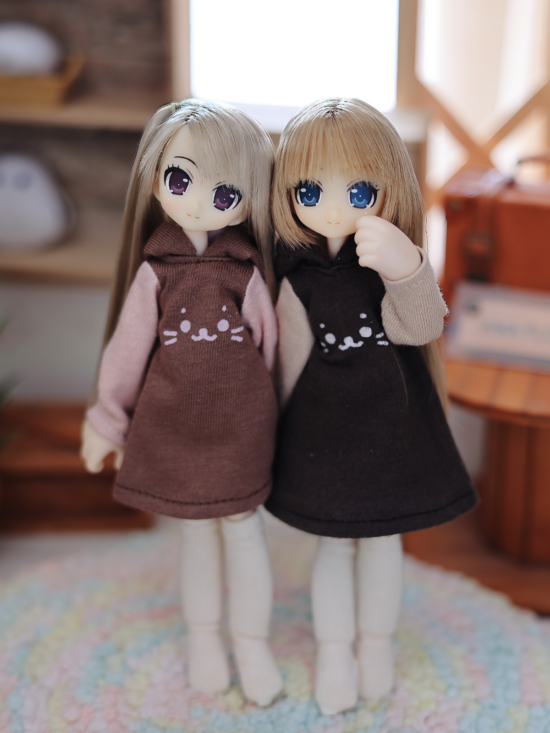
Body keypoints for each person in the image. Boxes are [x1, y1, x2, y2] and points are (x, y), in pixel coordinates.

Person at [266, 98, 477, 714]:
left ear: (389, 190)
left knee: (384, 542)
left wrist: (407, 268)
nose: (333, 209)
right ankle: (335, 651)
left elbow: (422, 327)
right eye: (309, 191)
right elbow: (285, 356)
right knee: (334, 544)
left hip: (392, 424)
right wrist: (265, 428)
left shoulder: (386, 260)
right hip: (323, 430)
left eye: (358, 192)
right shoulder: (298, 274)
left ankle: (375, 645)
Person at [81, 99, 282, 706]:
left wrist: (283, 418)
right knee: (195, 534)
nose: (197, 202)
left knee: (242, 531)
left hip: (242, 426)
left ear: (248, 200)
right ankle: (204, 639)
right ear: (155, 180)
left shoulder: (244, 271)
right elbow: (127, 352)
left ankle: (252, 644)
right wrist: (108, 419)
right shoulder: (157, 271)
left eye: (225, 194)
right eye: (179, 180)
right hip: (173, 424)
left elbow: (272, 349)